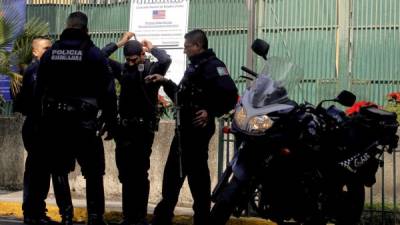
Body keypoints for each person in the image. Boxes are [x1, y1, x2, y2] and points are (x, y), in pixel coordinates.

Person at [147, 29, 238, 225]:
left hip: (197, 131)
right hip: (184, 130)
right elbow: (183, 96)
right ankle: (164, 216)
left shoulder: (214, 66)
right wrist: (165, 82)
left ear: (198, 46)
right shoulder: (195, 66)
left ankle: (202, 218)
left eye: (187, 47)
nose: (185, 51)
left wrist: (210, 111)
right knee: (173, 174)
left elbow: (231, 95)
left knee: (197, 178)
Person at [34, 11, 117, 225]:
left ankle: (67, 216)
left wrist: (39, 121)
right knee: (94, 172)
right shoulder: (94, 54)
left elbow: (38, 91)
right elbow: (109, 92)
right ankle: (95, 217)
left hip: (56, 124)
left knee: (59, 170)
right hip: (85, 125)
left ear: (67, 26)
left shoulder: (51, 53)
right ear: (86, 29)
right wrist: (111, 122)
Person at [101, 32, 171, 225]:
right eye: (128, 60)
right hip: (124, 131)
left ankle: (139, 217)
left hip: (142, 130)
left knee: (140, 175)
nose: (131, 63)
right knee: (125, 175)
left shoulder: (151, 69)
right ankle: (128, 216)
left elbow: (166, 59)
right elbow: (99, 58)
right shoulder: (122, 69)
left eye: (134, 59)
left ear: (141, 55)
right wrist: (119, 43)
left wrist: (152, 47)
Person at [14, 36, 74, 225]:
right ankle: (33, 214)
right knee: (36, 173)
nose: (50, 51)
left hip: (45, 127)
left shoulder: (47, 69)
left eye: (51, 48)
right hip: (38, 128)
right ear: (35, 52)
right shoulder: (36, 70)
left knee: (41, 172)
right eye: (46, 48)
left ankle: (37, 212)